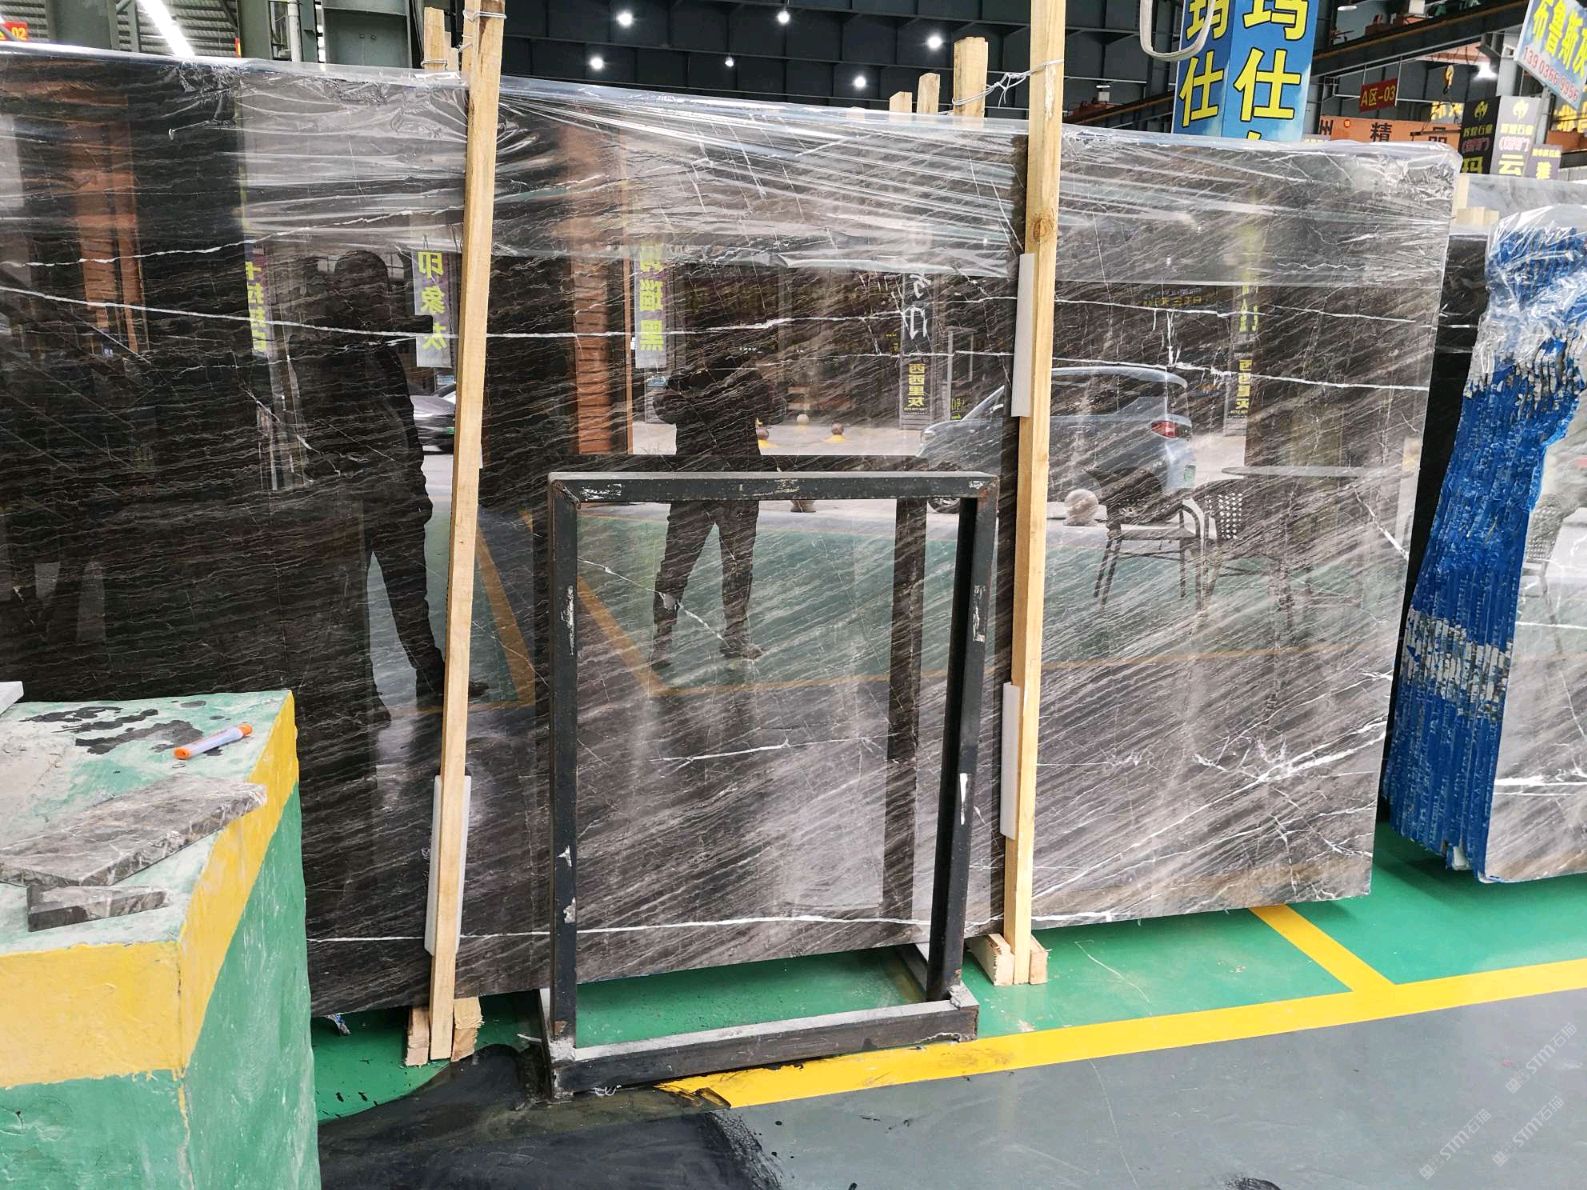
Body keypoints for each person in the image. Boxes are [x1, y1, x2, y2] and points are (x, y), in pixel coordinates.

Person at [317, 252, 451, 711]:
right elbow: (323, 423)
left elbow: (404, 425)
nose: (377, 295)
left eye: (379, 285)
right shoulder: (330, 344)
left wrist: (414, 487)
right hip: (350, 498)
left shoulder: (380, 349)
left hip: (394, 496)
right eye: (365, 286)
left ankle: (432, 680)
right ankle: (363, 697)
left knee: (411, 596)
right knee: (349, 603)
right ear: (342, 290)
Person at [650, 346, 787, 668]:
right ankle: (662, 639)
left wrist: (756, 383)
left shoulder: (747, 379)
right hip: (695, 487)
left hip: (737, 487)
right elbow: (666, 410)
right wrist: (710, 388)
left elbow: (775, 414)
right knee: (675, 568)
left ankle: (735, 635)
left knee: (739, 566)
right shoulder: (686, 378)